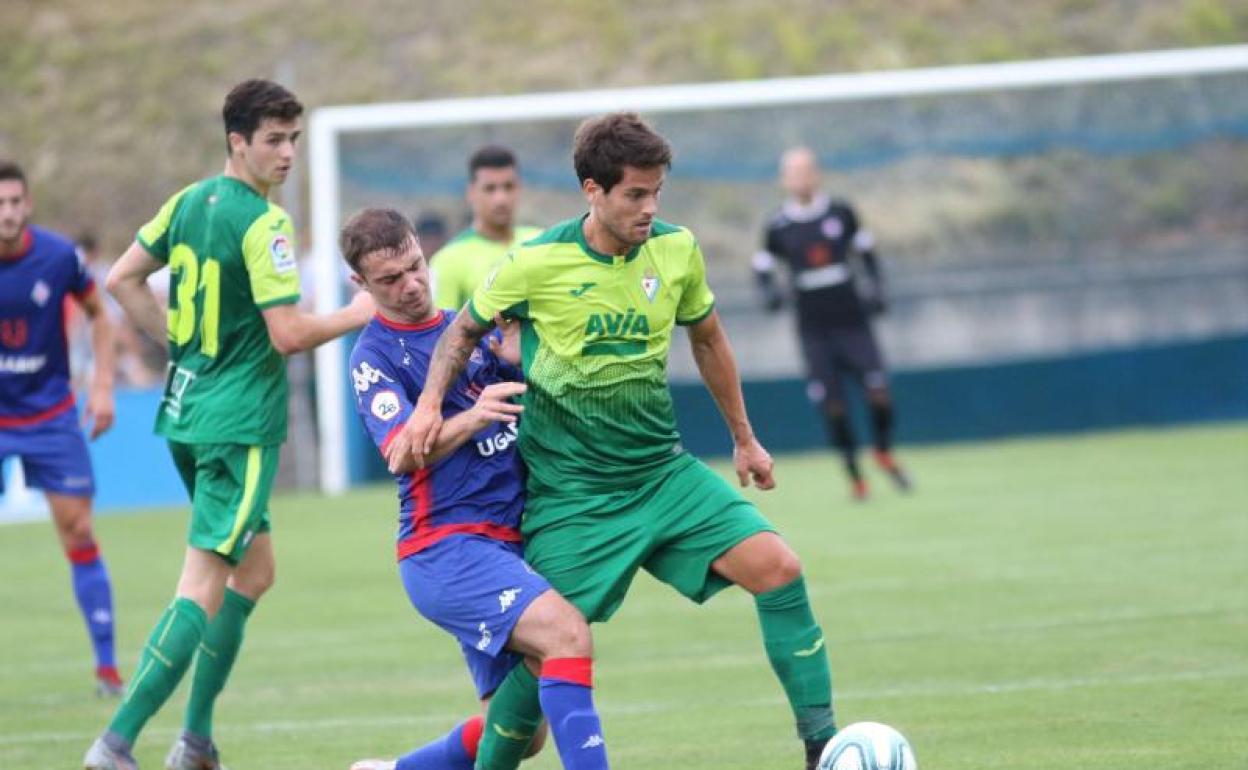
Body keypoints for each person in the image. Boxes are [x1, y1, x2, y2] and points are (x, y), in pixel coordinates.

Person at [403, 113, 839, 770]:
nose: (650, 207)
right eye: (635, 194)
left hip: (663, 476)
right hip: (573, 497)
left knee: (780, 569)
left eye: (657, 191)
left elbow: (708, 338)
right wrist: (430, 407)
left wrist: (744, 440)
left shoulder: (676, 249)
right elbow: (461, 332)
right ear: (593, 190)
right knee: (549, 651)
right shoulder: (535, 262)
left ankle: (823, 749)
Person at [83, 79, 374, 770]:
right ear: (237, 141)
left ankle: (197, 742)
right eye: (274, 140)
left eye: (293, 139)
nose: (288, 153)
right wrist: (358, 314)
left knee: (256, 569)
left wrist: (183, 344)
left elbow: (122, 279)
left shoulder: (188, 202)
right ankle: (116, 744)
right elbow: (288, 334)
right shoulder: (264, 223)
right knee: (203, 582)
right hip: (238, 427)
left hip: (187, 414)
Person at [340, 208, 608, 770]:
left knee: (520, 734)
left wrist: (521, 361)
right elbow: (400, 453)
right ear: (360, 284)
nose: (411, 285)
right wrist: (473, 418)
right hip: (446, 547)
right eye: (390, 279)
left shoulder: (471, 330)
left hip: (508, 542)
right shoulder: (373, 357)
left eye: (415, 266)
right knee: (566, 635)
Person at [0, 161, 122, 697]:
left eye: (15, 202)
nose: (7, 213)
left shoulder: (57, 257)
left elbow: (100, 314)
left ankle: (107, 668)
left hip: (49, 414)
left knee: (78, 532)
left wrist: (102, 386)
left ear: (27, 204)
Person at [753, 146, 910, 500]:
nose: (800, 179)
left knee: (879, 394)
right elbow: (762, 267)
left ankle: (883, 450)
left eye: (805, 171)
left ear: (817, 174)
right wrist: (769, 293)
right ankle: (855, 475)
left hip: (853, 323)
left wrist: (877, 288)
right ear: (784, 180)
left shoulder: (841, 213)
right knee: (834, 407)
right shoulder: (778, 225)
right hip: (814, 331)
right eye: (793, 173)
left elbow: (867, 253)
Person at [428, 145, 542, 312]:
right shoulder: (447, 260)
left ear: (519, 188)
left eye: (508, 187)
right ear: (471, 192)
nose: (501, 199)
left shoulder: (540, 241)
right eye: (490, 188)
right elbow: (441, 325)